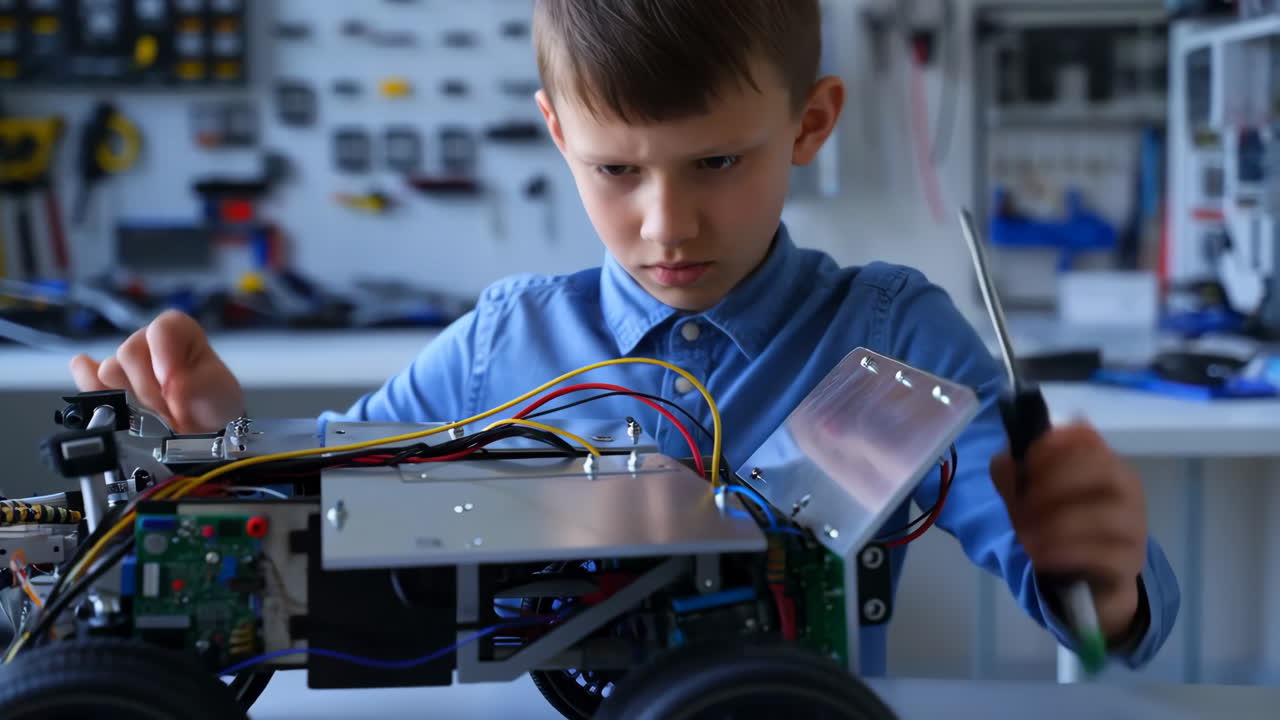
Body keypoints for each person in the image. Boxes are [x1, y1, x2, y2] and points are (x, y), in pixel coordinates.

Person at [69, 0, 1177, 676]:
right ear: (555, 132)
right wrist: (219, 443)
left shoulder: (893, 338)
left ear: (810, 122)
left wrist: (1104, 580)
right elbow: (333, 490)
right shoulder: (510, 337)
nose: (665, 225)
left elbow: (1092, 627)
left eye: (716, 163)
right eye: (614, 169)